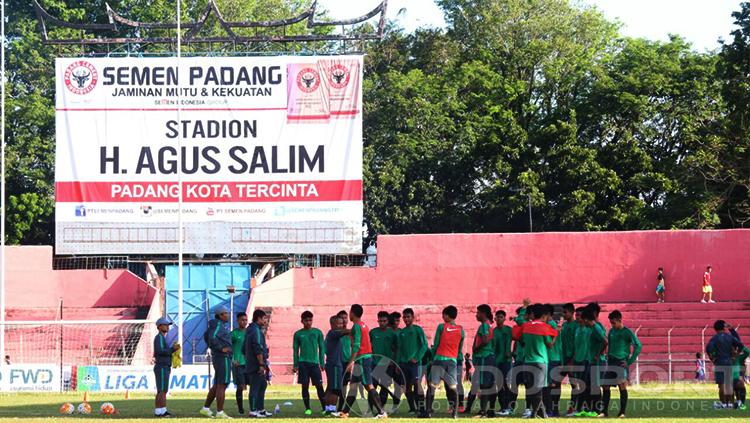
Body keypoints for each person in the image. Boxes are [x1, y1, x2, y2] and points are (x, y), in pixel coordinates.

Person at [340, 304, 387, 419]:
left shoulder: (357, 326)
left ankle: (382, 412)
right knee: (354, 386)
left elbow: (356, 345)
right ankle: (345, 412)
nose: (349, 314)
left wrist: (351, 361)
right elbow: (354, 333)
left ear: (352, 313)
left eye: (350, 312)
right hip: (364, 358)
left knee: (368, 384)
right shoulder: (363, 325)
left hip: (362, 359)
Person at [511, 303, 558, 418]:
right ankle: (534, 413)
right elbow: (550, 344)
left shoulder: (526, 326)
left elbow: (518, 338)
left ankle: (541, 413)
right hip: (540, 361)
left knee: (531, 389)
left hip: (527, 360)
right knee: (538, 389)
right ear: (544, 315)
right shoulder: (545, 327)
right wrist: (556, 335)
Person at [601, 310, 642, 418]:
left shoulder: (627, 332)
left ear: (619, 320)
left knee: (622, 385)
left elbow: (638, 346)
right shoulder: (611, 331)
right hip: (611, 362)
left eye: (614, 323)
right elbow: (609, 346)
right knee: (605, 385)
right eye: (611, 323)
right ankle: (604, 412)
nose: (612, 325)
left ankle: (622, 412)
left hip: (621, 362)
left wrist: (629, 361)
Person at [426, 305, 464, 419]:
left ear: (447, 315)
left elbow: (436, 344)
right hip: (452, 361)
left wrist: (432, 358)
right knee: (453, 387)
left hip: (439, 359)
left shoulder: (441, 327)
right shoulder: (461, 329)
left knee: (432, 386)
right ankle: (455, 413)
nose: (442, 317)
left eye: (443, 315)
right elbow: (459, 348)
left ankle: (428, 412)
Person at [200, 306, 233, 419]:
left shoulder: (215, 325)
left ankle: (205, 408)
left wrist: (213, 347)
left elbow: (206, 336)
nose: (227, 315)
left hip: (219, 357)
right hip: (222, 357)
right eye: (225, 313)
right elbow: (211, 337)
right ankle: (220, 412)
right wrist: (220, 348)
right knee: (222, 384)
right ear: (220, 315)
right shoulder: (218, 325)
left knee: (217, 384)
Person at [293, 310, 326, 416]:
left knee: (319, 386)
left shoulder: (318, 332)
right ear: (302, 321)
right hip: (303, 363)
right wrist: (295, 364)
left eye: (310, 320)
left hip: (314, 364)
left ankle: (325, 408)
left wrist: (322, 362)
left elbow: (322, 348)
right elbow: (295, 350)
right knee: (304, 386)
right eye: (306, 320)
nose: (308, 322)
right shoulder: (298, 334)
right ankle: (307, 408)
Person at [396, 308, 428, 415]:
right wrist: (397, 363)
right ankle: (412, 408)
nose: (406, 319)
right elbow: (399, 349)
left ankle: (421, 408)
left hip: (415, 363)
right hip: (403, 364)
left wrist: (417, 357)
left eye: (408, 316)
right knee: (406, 387)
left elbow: (424, 345)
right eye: (404, 317)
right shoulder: (402, 332)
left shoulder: (418, 330)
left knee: (417, 384)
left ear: (413, 317)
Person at [706, 319, 742, 409]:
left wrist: (712, 358)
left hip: (719, 361)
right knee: (729, 384)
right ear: (724, 327)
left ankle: (723, 404)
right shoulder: (729, 337)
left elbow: (708, 348)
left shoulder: (715, 338)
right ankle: (729, 404)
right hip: (729, 361)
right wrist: (736, 355)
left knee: (721, 384)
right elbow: (740, 344)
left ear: (715, 328)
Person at [370, 311, 398, 412]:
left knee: (384, 388)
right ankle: (370, 409)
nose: (382, 323)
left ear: (388, 321)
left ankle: (380, 410)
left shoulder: (392, 334)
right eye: (380, 321)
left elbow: (396, 349)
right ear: (378, 321)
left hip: (388, 364)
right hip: (375, 364)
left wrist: (393, 361)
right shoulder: (373, 332)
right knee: (372, 387)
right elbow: (369, 348)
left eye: (384, 321)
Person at [245, 309, 271, 418]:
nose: (266, 320)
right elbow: (257, 348)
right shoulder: (255, 331)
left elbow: (244, 349)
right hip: (256, 364)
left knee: (262, 385)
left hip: (252, 362)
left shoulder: (250, 330)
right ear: (259, 318)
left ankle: (261, 409)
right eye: (264, 318)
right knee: (255, 387)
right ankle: (253, 411)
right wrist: (261, 364)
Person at [471, 304, 496, 417]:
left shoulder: (484, 326)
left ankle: (483, 411)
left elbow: (485, 340)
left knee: (484, 385)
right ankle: (490, 410)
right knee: (490, 384)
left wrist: (476, 348)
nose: (476, 315)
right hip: (489, 357)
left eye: (478, 313)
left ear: (483, 313)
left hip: (484, 357)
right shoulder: (489, 325)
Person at [324, 315, 351, 415]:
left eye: (342, 323)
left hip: (332, 364)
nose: (341, 325)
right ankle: (331, 410)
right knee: (335, 389)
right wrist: (356, 328)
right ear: (332, 324)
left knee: (330, 388)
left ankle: (327, 409)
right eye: (339, 323)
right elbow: (345, 332)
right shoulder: (333, 333)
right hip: (335, 365)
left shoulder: (332, 335)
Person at [153, 317, 179, 418]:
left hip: (163, 366)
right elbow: (160, 351)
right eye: (165, 325)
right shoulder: (159, 337)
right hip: (162, 366)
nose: (167, 327)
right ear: (159, 327)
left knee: (162, 390)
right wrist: (173, 349)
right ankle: (161, 412)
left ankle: (160, 411)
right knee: (163, 390)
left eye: (168, 325)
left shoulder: (161, 337)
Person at [543, 304, 563, 417]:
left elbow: (550, 344)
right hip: (555, 358)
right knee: (554, 385)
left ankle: (551, 410)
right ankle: (553, 410)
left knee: (551, 385)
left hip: (552, 359)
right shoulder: (553, 325)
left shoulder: (549, 325)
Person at [492, 310, 513, 416]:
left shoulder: (509, 330)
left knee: (506, 384)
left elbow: (518, 339)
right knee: (499, 385)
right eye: (497, 317)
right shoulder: (493, 331)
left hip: (506, 361)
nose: (499, 319)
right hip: (497, 361)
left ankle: (508, 407)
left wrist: (513, 352)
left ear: (505, 319)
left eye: (501, 317)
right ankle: (503, 407)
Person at [559, 303, 577, 416]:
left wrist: (573, 359)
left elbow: (578, 344)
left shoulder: (576, 326)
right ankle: (553, 407)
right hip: (563, 358)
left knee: (574, 384)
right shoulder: (564, 326)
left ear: (572, 312)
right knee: (555, 382)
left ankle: (573, 407)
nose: (563, 314)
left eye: (565, 312)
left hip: (572, 359)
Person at [231, 312, 249, 415]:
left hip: (249, 364)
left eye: (246, 320)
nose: (244, 322)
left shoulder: (249, 333)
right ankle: (240, 410)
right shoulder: (234, 334)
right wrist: (233, 359)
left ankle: (254, 408)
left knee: (253, 386)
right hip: (238, 364)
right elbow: (229, 348)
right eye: (242, 320)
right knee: (240, 386)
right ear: (238, 321)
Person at [732, 344, 750, 409]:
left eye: (735, 349)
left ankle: (741, 403)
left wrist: (739, 344)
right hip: (727, 380)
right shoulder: (726, 358)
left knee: (740, 385)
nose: (734, 350)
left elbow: (748, 352)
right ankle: (732, 403)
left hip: (736, 379)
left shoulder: (738, 357)